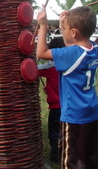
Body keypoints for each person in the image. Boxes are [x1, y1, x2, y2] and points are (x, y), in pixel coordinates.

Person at [36, 5, 98, 169]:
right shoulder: (93, 48)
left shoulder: (71, 54)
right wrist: (64, 24)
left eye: (65, 29)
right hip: (93, 114)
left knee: (72, 162)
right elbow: (71, 44)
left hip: (74, 117)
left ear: (73, 32)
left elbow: (41, 53)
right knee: (92, 158)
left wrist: (43, 25)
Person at [37, 36, 64, 164]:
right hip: (68, 105)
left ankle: (56, 157)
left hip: (56, 107)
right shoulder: (68, 63)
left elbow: (34, 69)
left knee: (54, 134)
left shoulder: (51, 66)